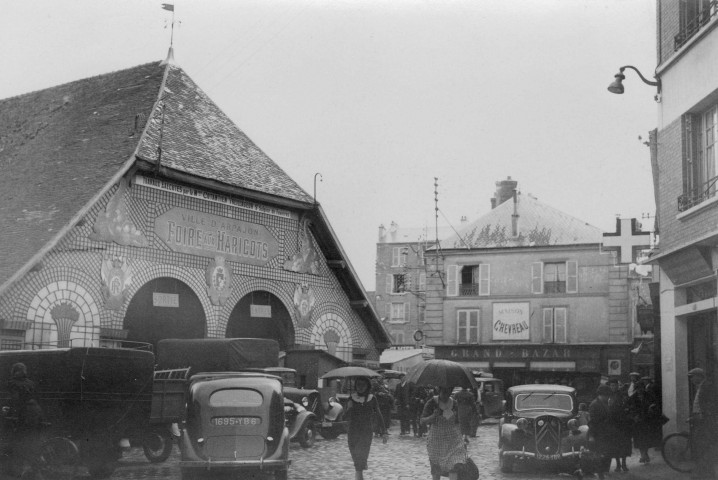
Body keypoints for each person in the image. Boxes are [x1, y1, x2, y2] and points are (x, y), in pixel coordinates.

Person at [420, 385, 468, 480]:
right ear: (439, 391)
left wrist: (464, 437)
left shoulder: (454, 403)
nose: (446, 396)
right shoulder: (432, 403)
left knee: (454, 465)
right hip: (436, 440)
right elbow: (422, 420)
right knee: (436, 466)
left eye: (449, 393)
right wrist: (433, 416)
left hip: (453, 439)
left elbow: (458, 422)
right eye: (444, 393)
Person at [345, 376, 387, 480]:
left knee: (360, 458)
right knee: (356, 458)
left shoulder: (372, 398)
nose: (360, 387)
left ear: (367, 386)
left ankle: (359, 474)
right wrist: (349, 409)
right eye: (358, 384)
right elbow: (345, 417)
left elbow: (379, 414)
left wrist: (384, 431)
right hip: (353, 432)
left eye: (363, 385)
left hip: (366, 432)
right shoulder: (351, 398)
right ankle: (361, 470)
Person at [7, 362, 44, 477]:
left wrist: (10, 412)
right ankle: (36, 469)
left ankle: (19, 471)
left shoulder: (13, 383)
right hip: (36, 412)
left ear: (14, 371)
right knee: (32, 440)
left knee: (19, 441)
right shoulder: (31, 383)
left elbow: (15, 400)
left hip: (25, 414)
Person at [687, 367, 718, 480]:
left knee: (704, 446)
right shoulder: (701, 387)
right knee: (701, 446)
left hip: (705, 421)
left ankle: (706, 474)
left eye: (692, 377)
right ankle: (704, 473)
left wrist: (703, 416)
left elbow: (711, 404)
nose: (691, 380)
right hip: (701, 420)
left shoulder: (707, 386)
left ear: (699, 376)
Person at [627, 381, 663, 464]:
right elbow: (628, 407)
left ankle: (645, 453)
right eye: (638, 388)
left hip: (647, 420)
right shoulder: (633, 397)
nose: (640, 390)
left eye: (641, 388)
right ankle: (643, 455)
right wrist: (633, 416)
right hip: (637, 421)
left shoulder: (648, 395)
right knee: (639, 439)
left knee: (646, 438)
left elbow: (655, 403)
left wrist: (652, 407)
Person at [588, 384, 614, 479]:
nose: (608, 397)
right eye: (606, 395)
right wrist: (591, 436)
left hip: (606, 433)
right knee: (599, 455)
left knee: (607, 453)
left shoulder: (605, 403)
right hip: (598, 433)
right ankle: (600, 474)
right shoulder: (594, 404)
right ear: (601, 394)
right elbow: (591, 422)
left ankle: (603, 472)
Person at [607, 378, 632, 472]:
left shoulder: (623, 395)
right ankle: (618, 465)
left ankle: (624, 464)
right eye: (611, 385)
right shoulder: (609, 395)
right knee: (615, 445)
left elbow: (627, 406)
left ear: (617, 386)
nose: (613, 387)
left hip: (623, 424)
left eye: (614, 385)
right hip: (614, 424)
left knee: (624, 444)